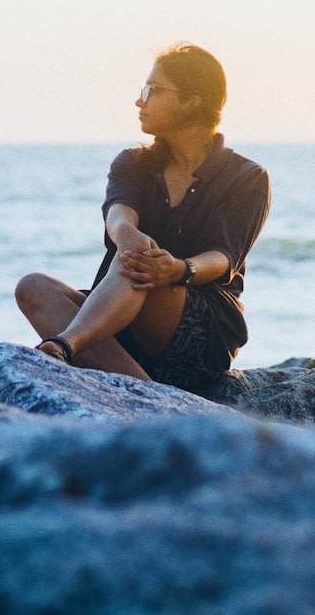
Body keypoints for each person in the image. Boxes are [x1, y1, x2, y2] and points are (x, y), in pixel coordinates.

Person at [15, 43, 270, 391]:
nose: (140, 101)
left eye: (152, 91)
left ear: (192, 101)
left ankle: (63, 346)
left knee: (138, 264)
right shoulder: (132, 162)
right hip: (125, 320)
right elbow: (118, 212)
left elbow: (224, 257)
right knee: (33, 287)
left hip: (199, 332)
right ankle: (146, 392)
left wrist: (180, 270)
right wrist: (126, 233)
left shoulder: (246, 177)